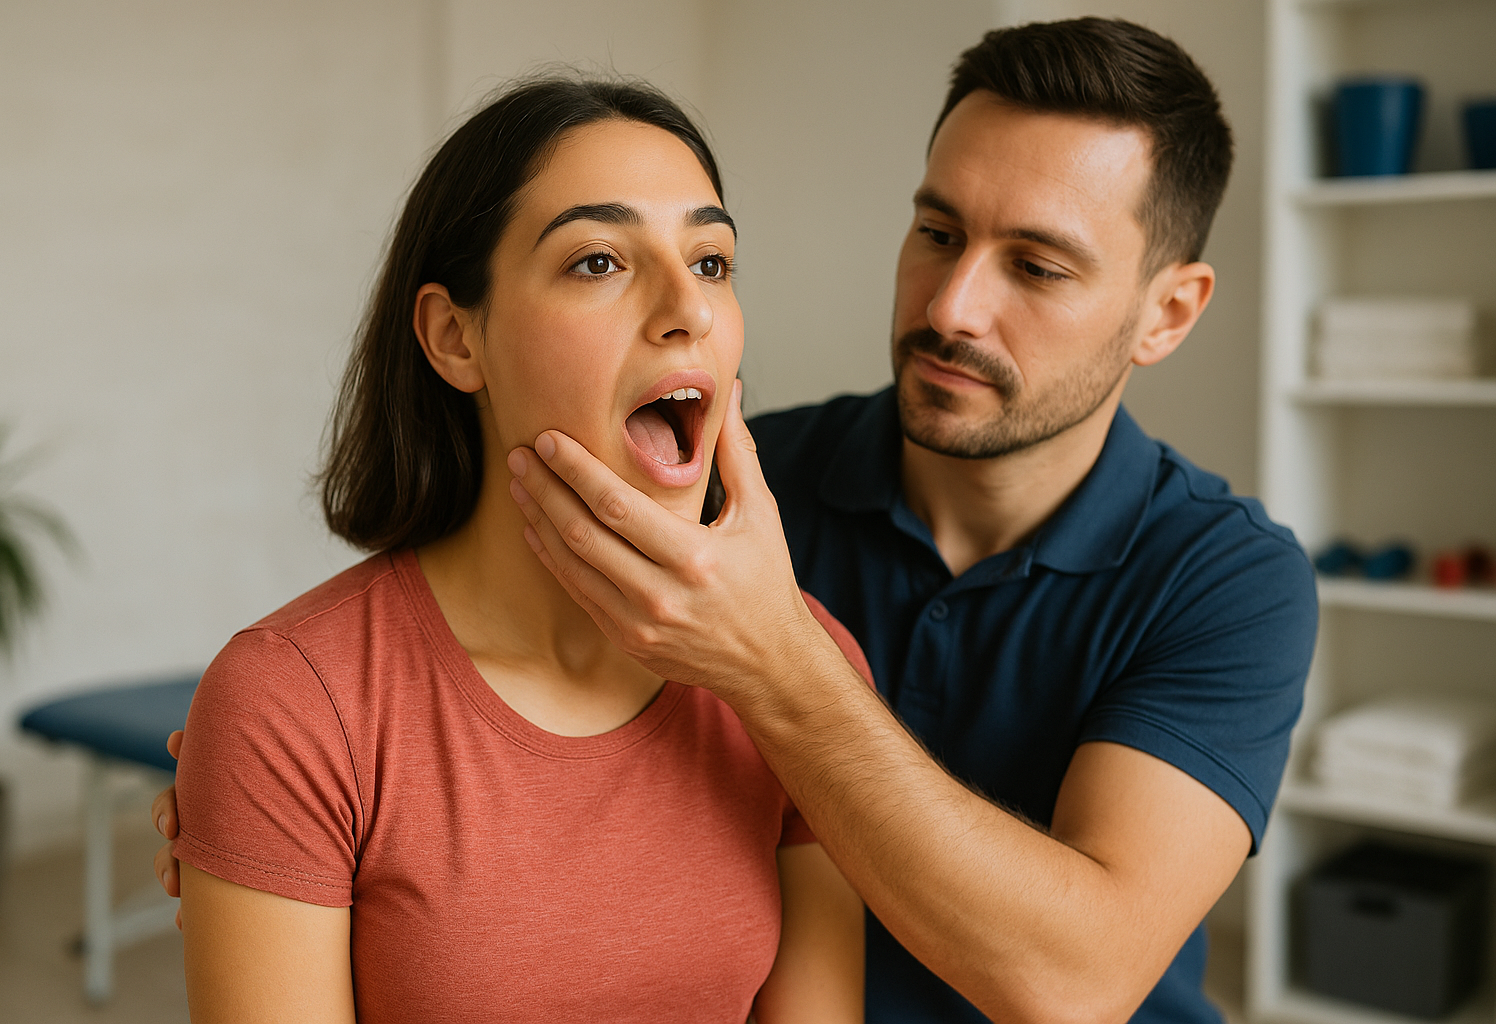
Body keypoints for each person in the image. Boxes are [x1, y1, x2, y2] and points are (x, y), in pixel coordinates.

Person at [493, 18, 1319, 1024]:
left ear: (1169, 314)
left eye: (1038, 267)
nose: (953, 307)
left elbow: (1074, 981)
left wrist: (770, 654)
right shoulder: (731, 482)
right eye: (938, 233)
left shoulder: (1230, 577)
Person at [158, 76, 866, 1024]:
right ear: (456, 339)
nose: (687, 308)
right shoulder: (294, 706)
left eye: (710, 261)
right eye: (599, 261)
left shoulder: (804, 674)